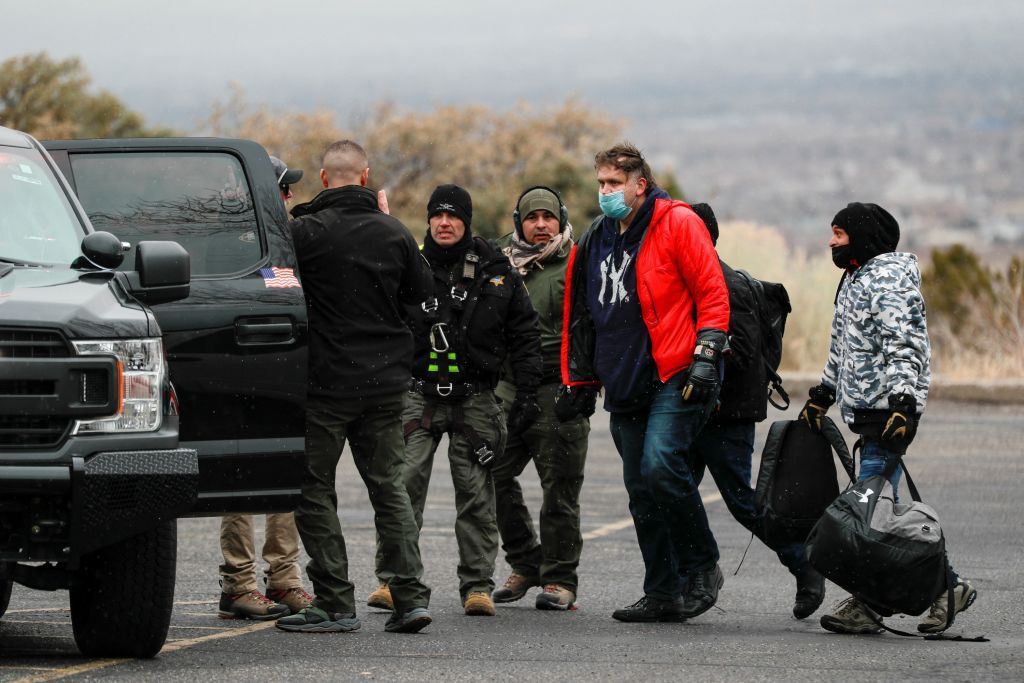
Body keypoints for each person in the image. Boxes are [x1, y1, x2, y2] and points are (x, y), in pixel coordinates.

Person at [561, 142, 730, 622]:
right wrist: (581, 381)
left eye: (615, 183)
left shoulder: (677, 222)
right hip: (624, 379)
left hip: (676, 371)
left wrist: (706, 355)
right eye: (601, 183)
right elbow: (584, 315)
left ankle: (701, 566)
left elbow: (712, 293)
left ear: (641, 184)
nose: (606, 192)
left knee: (660, 465)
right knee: (641, 489)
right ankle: (662, 592)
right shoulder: (597, 236)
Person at [275, 140, 433, 634]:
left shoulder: (304, 233)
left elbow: (274, 282)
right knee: (389, 490)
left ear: (324, 179)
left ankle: (335, 601)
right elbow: (422, 299)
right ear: (365, 177)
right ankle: (409, 598)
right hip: (385, 385)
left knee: (313, 489)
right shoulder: (393, 232)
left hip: (326, 387)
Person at [799, 201, 978, 634]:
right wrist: (824, 392)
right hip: (866, 411)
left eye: (838, 234)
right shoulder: (856, 279)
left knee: (866, 517)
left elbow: (904, 345)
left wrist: (901, 404)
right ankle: (935, 591)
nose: (831, 242)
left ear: (861, 237)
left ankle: (881, 602)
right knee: (878, 514)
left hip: (887, 415)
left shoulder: (887, 281)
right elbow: (843, 345)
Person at [368, 184, 543, 617]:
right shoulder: (407, 263)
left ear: (467, 220)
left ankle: (477, 586)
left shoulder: (496, 270)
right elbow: (378, 321)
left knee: (477, 496)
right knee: (402, 489)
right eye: (437, 216)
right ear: (428, 221)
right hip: (415, 396)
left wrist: (526, 393)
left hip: (476, 397)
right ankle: (394, 581)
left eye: (453, 216)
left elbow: (524, 335)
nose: (445, 223)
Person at [685, 202, 825, 620]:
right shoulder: (686, 279)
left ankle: (804, 563)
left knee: (742, 501)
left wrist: (698, 364)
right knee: (674, 494)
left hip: (727, 414)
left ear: (701, 237)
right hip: (689, 409)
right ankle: (689, 578)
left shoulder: (728, 285)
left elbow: (743, 355)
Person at [217, 155, 312, 620]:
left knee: (284, 476)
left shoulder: (293, 238)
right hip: (238, 371)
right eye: (283, 188)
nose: (290, 197)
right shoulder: (227, 242)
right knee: (239, 478)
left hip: (285, 373)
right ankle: (237, 582)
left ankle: (285, 579)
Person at [488, 186, 592, 611]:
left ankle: (559, 579)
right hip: (508, 385)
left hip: (557, 383)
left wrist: (586, 383)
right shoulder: (497, 261)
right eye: (532, 218)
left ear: (560, 219)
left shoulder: (579, 262)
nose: (541, 225)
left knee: (559, 488)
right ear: (519, 222)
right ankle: (526, 561)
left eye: (548, 217)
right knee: (490, 472)